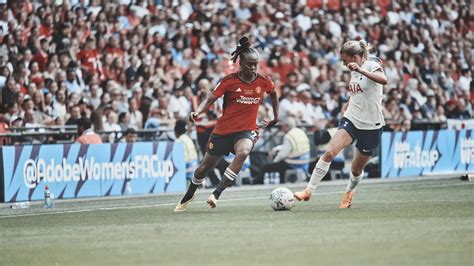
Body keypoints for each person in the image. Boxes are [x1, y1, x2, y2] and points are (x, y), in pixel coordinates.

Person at [174, 37, 279, 212]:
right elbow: (210, 98)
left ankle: (216, 193)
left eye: (256, 64)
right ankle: (190, 194)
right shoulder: (228, 81)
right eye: (249, 64)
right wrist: (198, 111)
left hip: (247, 130)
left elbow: (274, 95)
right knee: (204, 168)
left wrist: (275, 117)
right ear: (240, 63)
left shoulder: (263, 81)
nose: (253, 68)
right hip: (223, 131)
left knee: (244, 151)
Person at [294, 40, 388, 209]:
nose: (344, 64)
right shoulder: (353, 69)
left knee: (356, 169)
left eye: (345, 60)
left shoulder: (371, 65)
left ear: (355, 57)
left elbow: (384, 80)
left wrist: (360, 70)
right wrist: (347, 104)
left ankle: (349, 191)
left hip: (371, 125)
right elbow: (357, 92)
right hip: (352, 119)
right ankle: (308, 191)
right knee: (329, 152)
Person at [258, 117, 310, 184]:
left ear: (286, 126)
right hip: (305, 162)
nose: (281, 127)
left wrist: (274, 162)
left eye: (282, 125)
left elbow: (282, 155)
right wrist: (276, 148)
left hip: (294, 163)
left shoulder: (289, 136)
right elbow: (291, 146)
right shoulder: (300, 131)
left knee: (266, 167)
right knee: (280, 164)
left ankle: (258, 183)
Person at [174, 119, 199, 184]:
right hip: (195, 168)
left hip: (187, 170)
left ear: (176, 130)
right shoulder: (188, 138)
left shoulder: (178, 141)